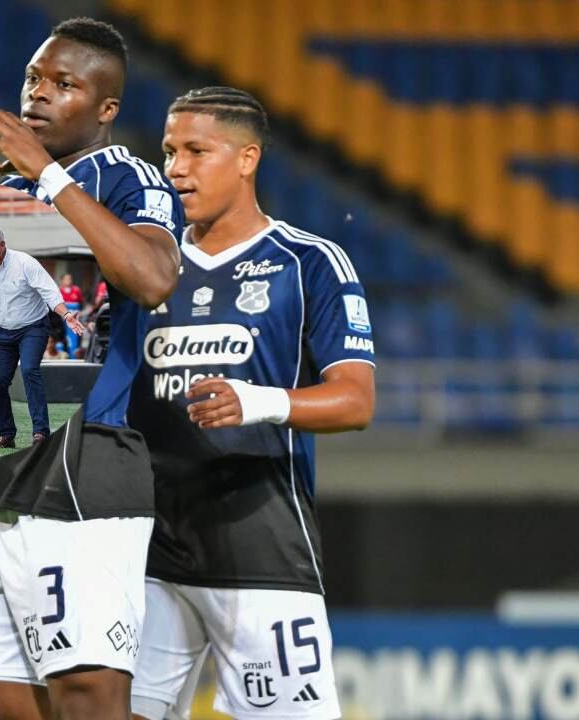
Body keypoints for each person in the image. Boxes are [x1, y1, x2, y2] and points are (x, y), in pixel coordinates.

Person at [0, 17, 182, 720]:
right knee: (15, 705)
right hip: (12, 479)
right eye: (35, 78)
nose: (39, 94)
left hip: (88, 464)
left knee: (88, 702)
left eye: (65, 85)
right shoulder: (8, 197)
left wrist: (48, 172)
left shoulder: (124, 175)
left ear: (106, 109)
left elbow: (153, 277)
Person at [127, 87, 375, 720]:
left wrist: (257, 400)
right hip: (147, 551)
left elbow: (355, 400)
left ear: (246, 158)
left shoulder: (309, 262)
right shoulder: (143, 267)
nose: (175, 168)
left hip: (261, 550)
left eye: (195, 151)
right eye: (168, 151)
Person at [0, 225, 85, 448]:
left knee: (29, 370)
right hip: (0, 333)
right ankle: (6, 434)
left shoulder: (25, 263)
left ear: (2, 246)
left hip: (32, 327)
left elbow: (50, 292)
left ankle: (40, 432)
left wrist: (66, 315)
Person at [58, 273, 84, 357]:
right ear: (62, 280)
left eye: (70, 278)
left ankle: (74, 356)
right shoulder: (59, 291)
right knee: (63, 339)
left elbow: (81, 303)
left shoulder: (76, 290)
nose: (69, 280)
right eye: (67, 279)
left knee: (75, 339)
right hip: (62, 321)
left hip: (74, 319)